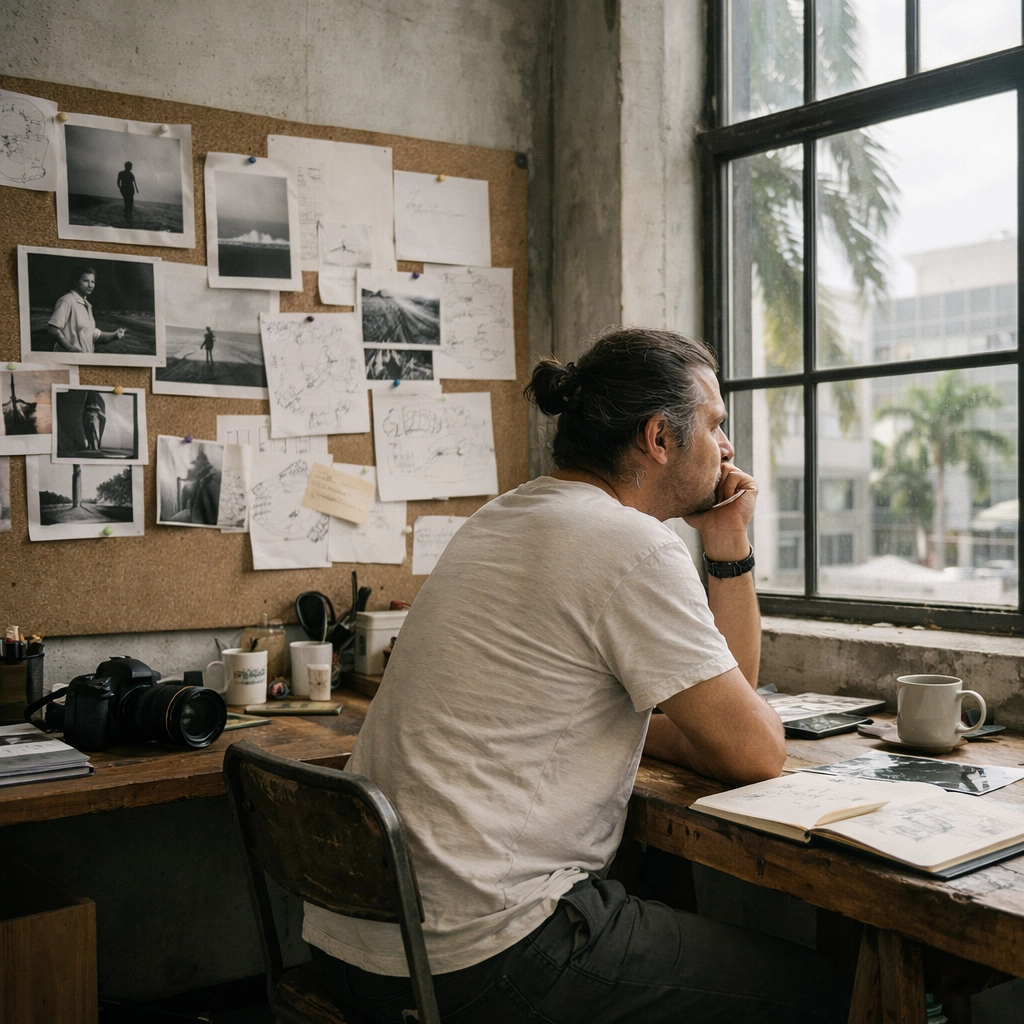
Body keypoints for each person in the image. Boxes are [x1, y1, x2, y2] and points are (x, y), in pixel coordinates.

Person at [305, 327, 851, 1024]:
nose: (727, 447)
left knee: (662, 897)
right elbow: (755, 752)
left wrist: (716, 543)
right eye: (715, 425)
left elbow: (719, 724)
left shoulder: (502, 516)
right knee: (825, 991)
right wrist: (734, 541)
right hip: (479, 960)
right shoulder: (631, 546)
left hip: (355, 945)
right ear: (659, 437)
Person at [46, 268, 126, 354]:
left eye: (92, 282)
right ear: (76, 282)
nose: (90, 285)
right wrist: (70, 348)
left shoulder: (87, 305)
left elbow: (92, 335)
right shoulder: (67, 300)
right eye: (86, 281)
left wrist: (115, 335)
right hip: (69, 359)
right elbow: (53, 328)